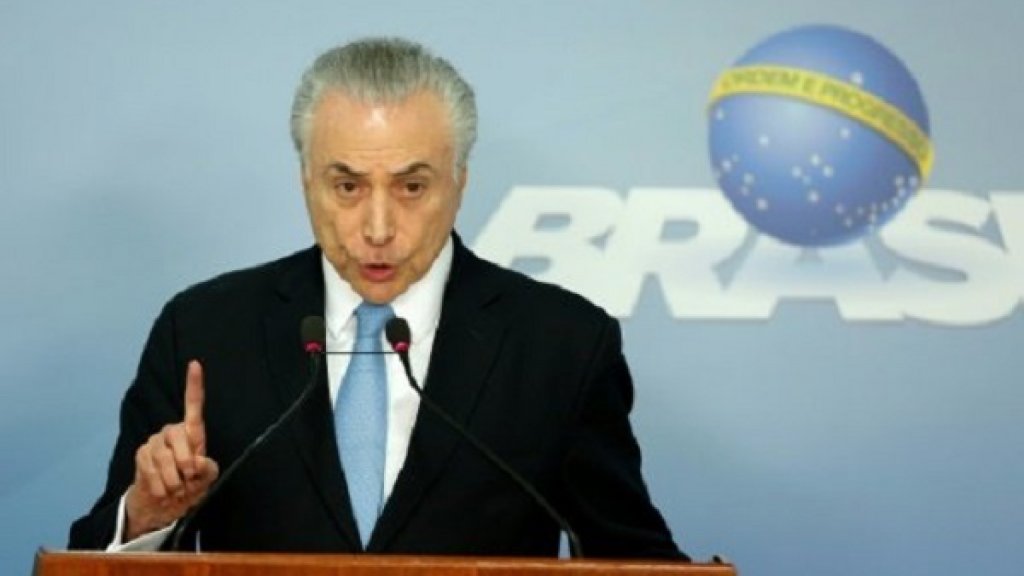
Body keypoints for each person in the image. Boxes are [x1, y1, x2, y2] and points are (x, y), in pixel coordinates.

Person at [68, 37, 686, 559]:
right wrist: (146, 516)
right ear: (306, 181)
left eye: (412, 186)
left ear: (460, 183)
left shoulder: (561, 345)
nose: (379, 227)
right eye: (347, 186)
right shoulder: (206, 331)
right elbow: (93, 555)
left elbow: (635, 561)